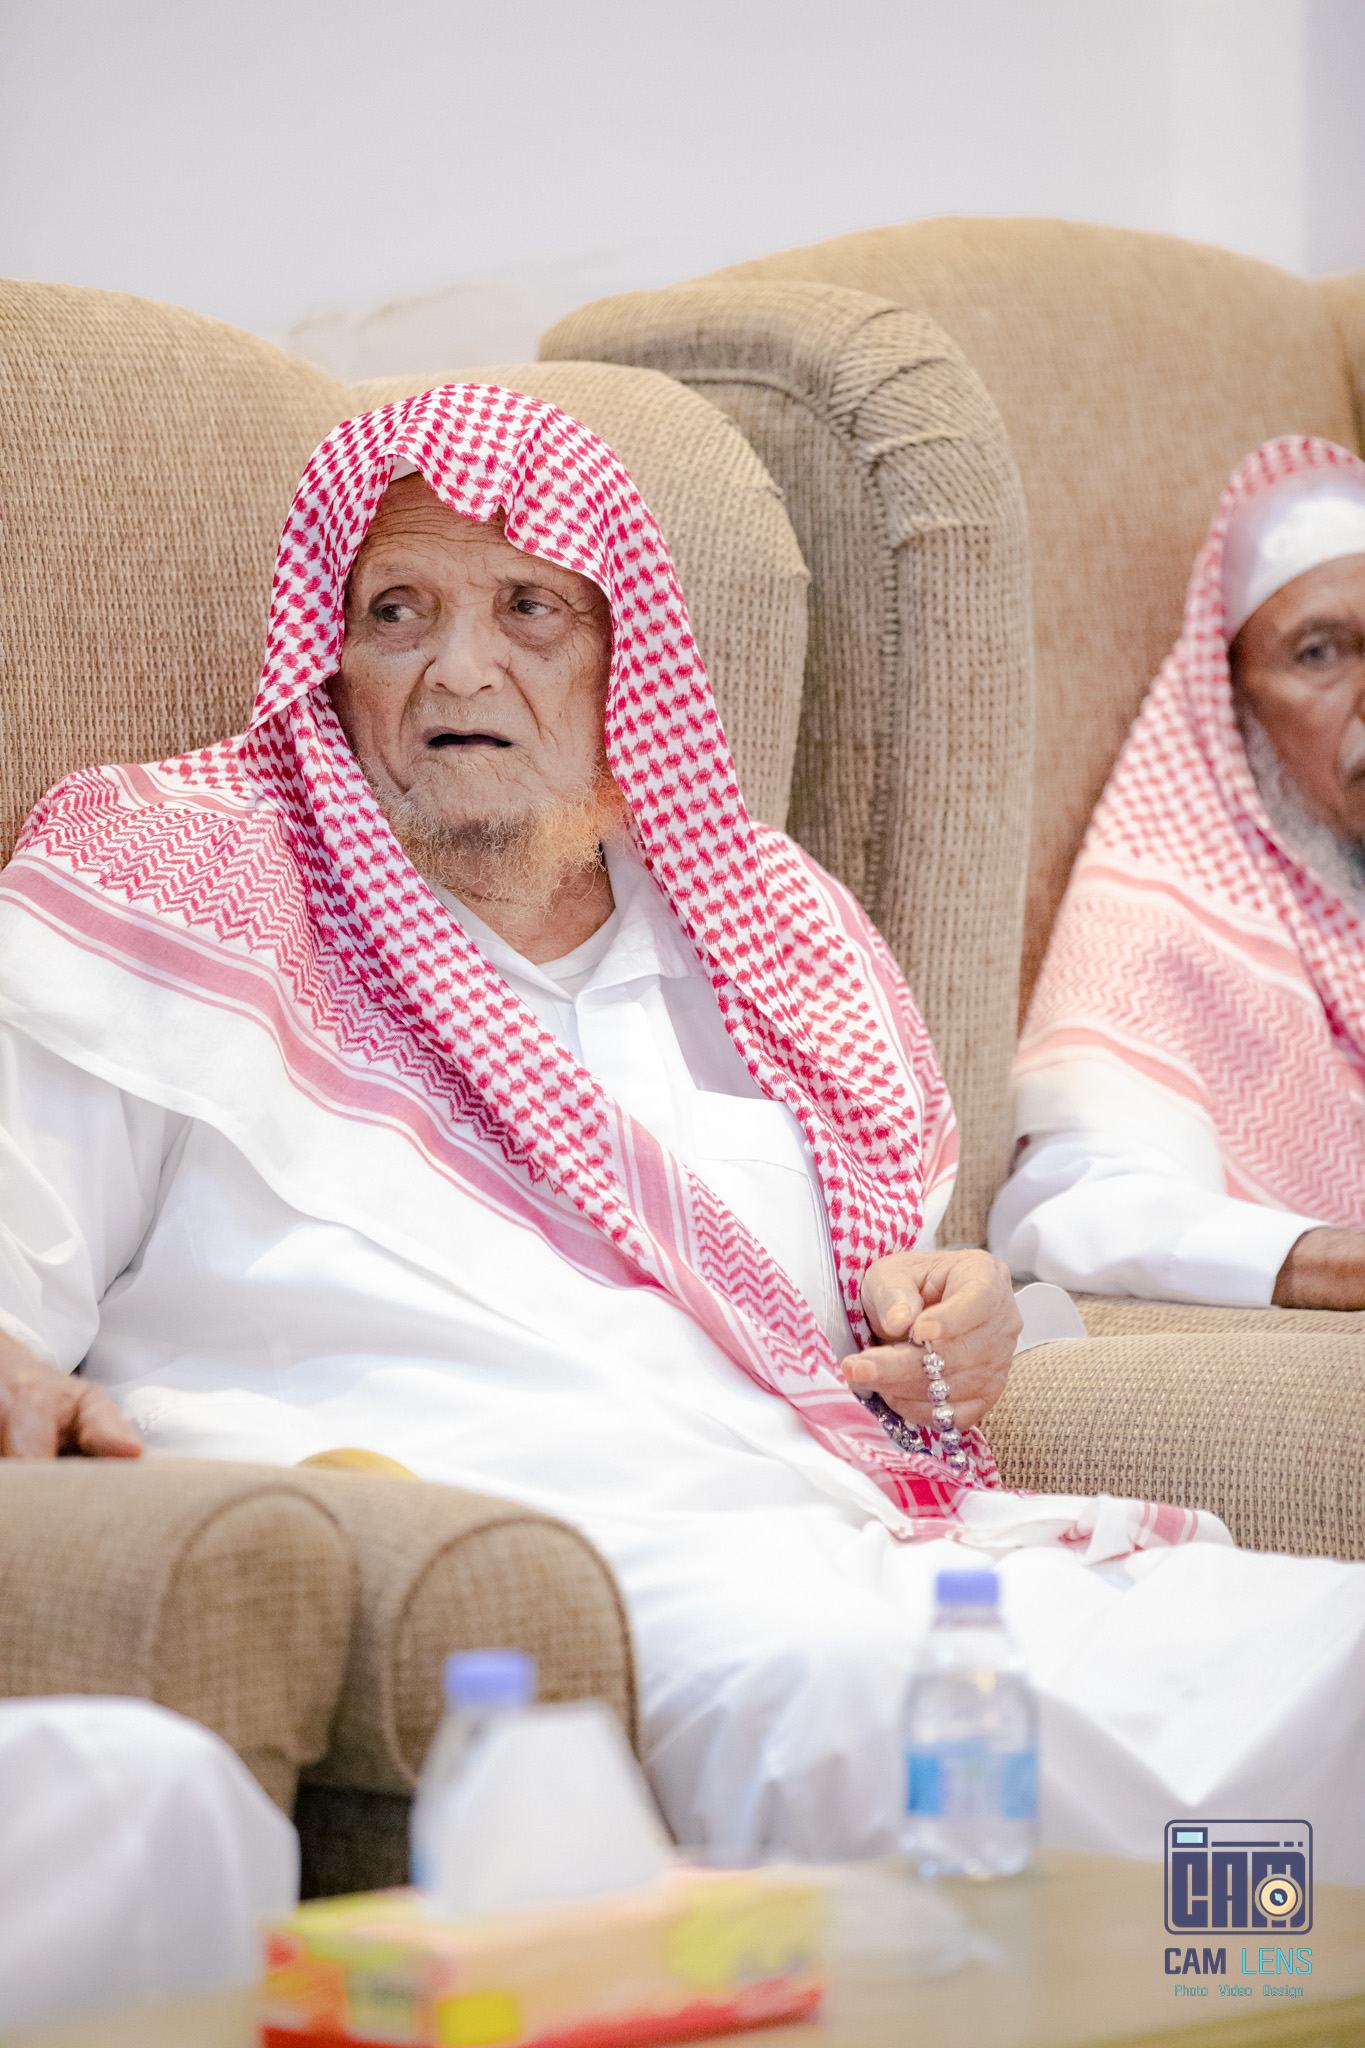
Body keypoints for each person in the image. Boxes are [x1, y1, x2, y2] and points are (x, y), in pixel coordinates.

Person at [2, 393, 1363, 1878]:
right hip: (508, 1554)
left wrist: (972, 1318)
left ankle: (1225, 1969)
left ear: (623, 657)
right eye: (397, 611)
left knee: (1328, 1655)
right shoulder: (171, 885)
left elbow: (878, 1328)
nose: (461, 668)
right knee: (865, 1710)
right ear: (331, 657)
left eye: (529, 609)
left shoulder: (763, 939)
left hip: (844, 1540)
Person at [993, 437, 1365, 1310]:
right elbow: (1080, 1209)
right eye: (1320, 653)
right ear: (1229, 706)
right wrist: (1339, 1264)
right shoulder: (1157, 923)